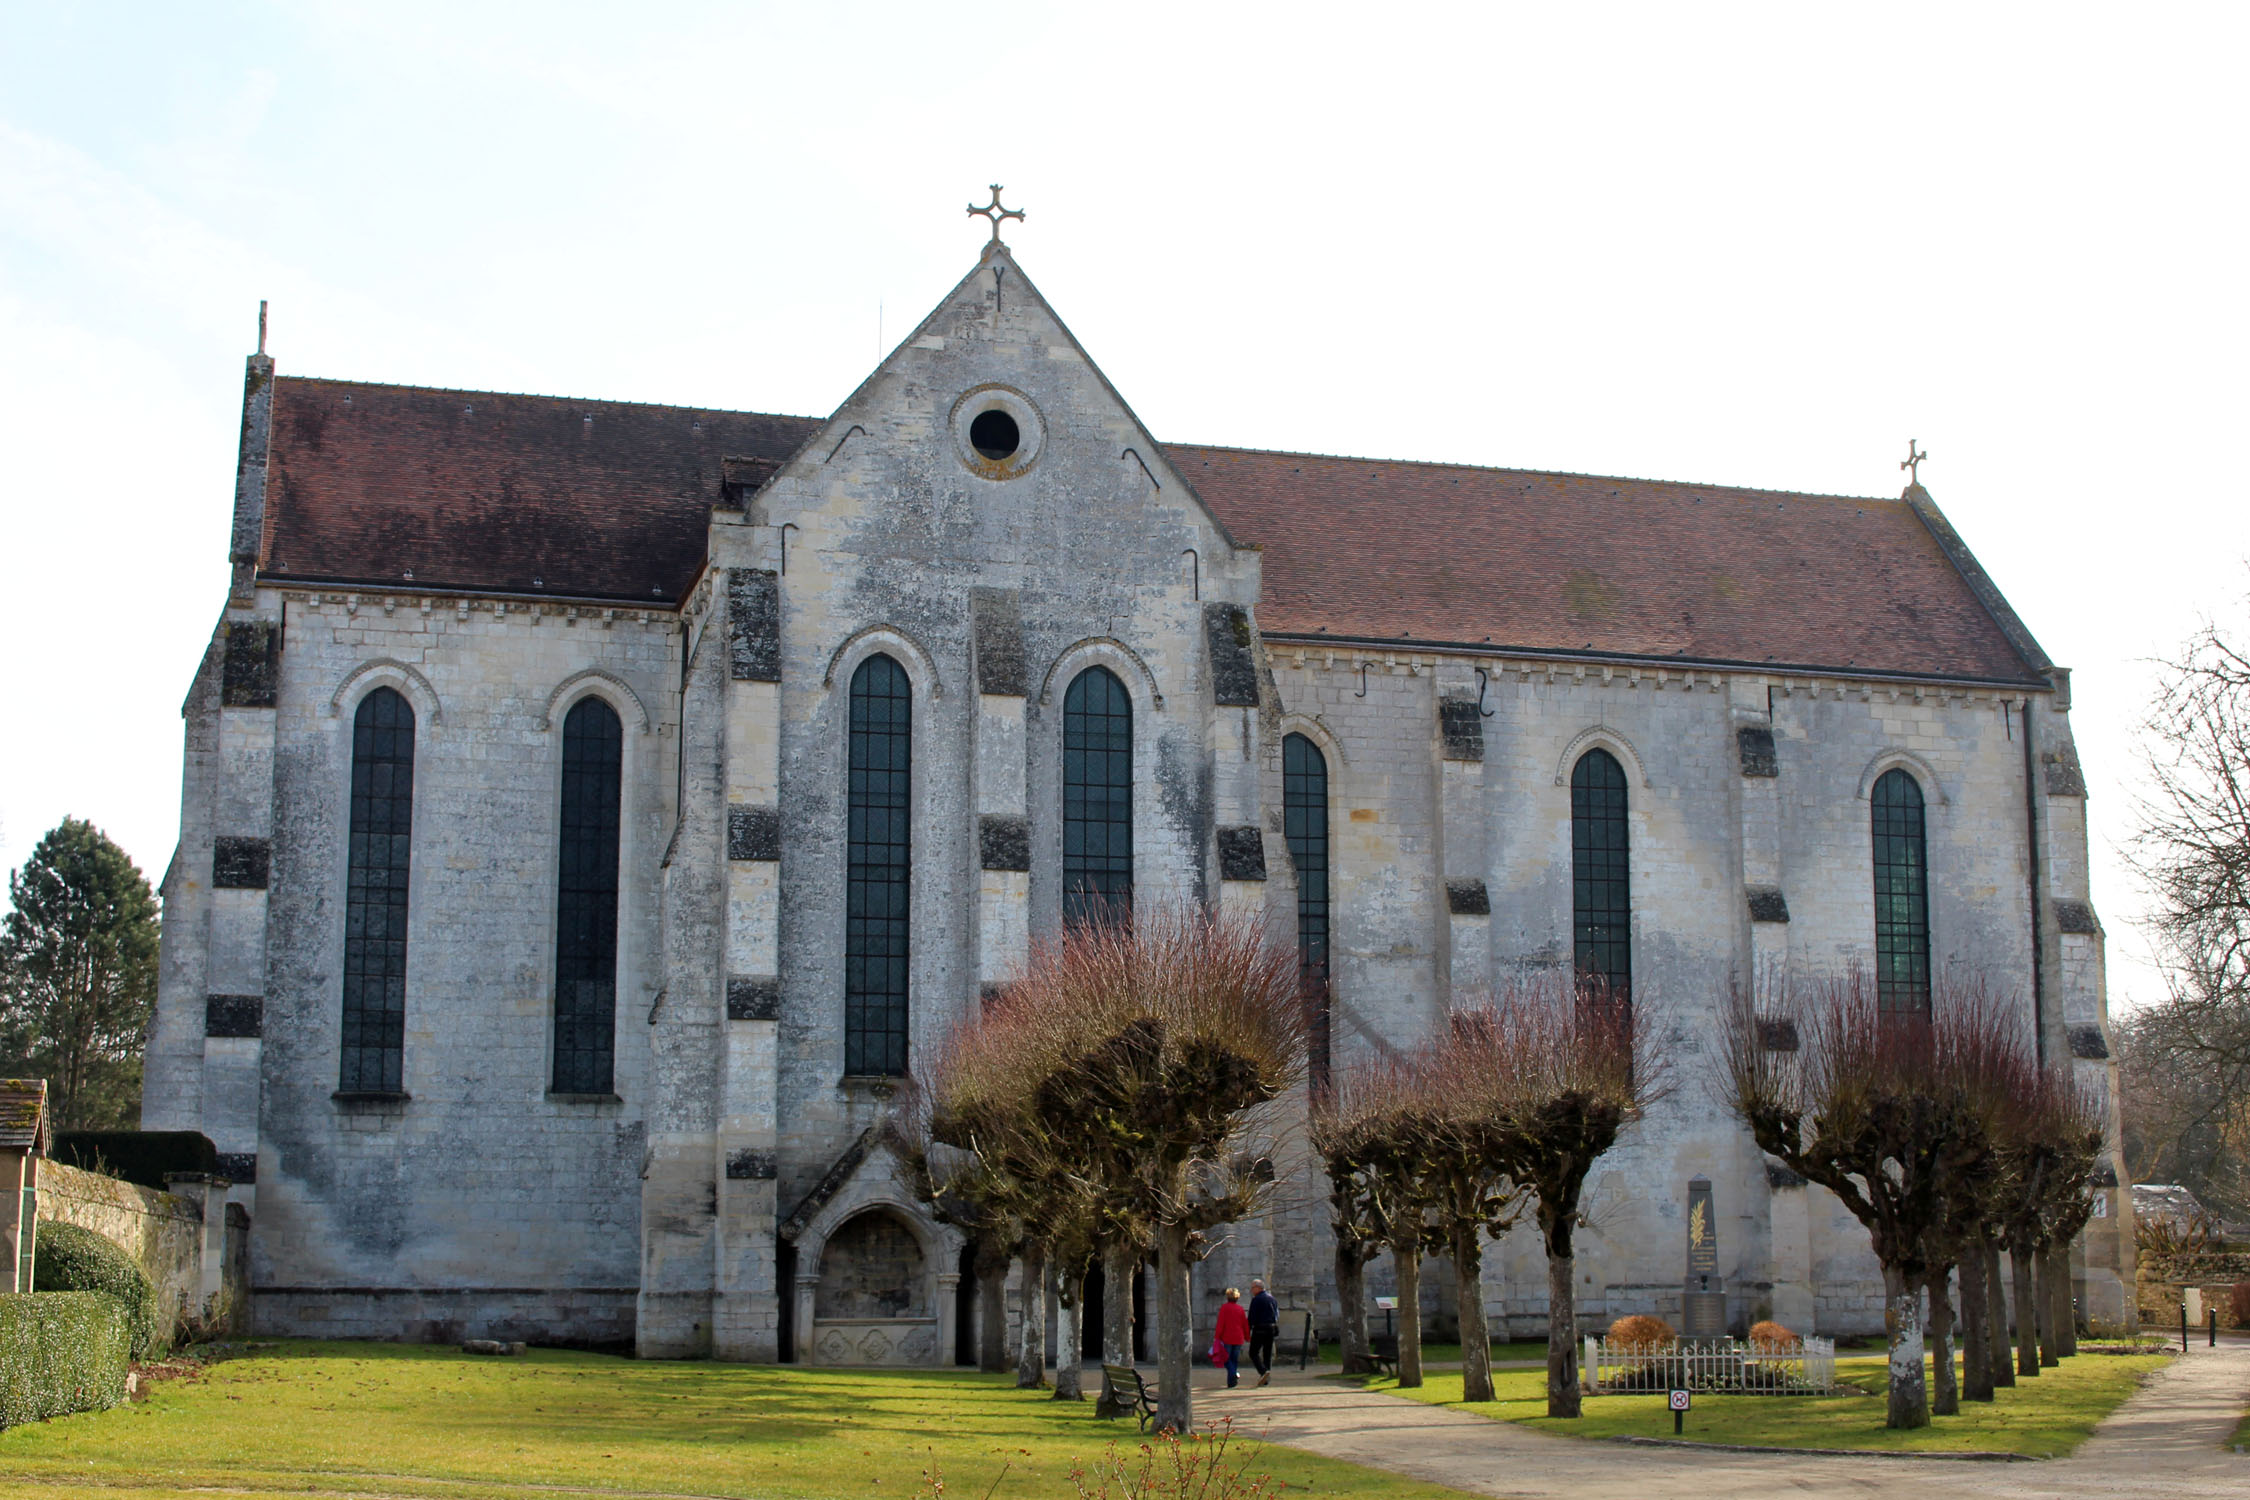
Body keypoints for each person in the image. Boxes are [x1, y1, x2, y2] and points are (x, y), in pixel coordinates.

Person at [1215, 1286, 1251, 1388]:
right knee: (1234, 1360)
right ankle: (1232, 1382)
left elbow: (1220, 1324)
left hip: (1227, 1337)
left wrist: (1217, 1337)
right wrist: (1247, 1337)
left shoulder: (1224, 1308)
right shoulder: (1240, 1309)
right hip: (1238, 1338)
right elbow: (1245, 1324)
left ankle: (1232, 1374)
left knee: (1226, 1359)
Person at [1246, 1277, 1279, 1385]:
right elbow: (1276, 1314)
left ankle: (1263, 1371)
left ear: (1258, 1288)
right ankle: (1266, 1377)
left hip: (1260, 1328)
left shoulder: (1256, 1300)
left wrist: (1248, 1329)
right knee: (1267, 1353)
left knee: (1253, 1352)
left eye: (1252, 1288)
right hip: (1271, 1327)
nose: (1251, 1290)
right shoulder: (1272, 1298)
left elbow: (1252, 1316)